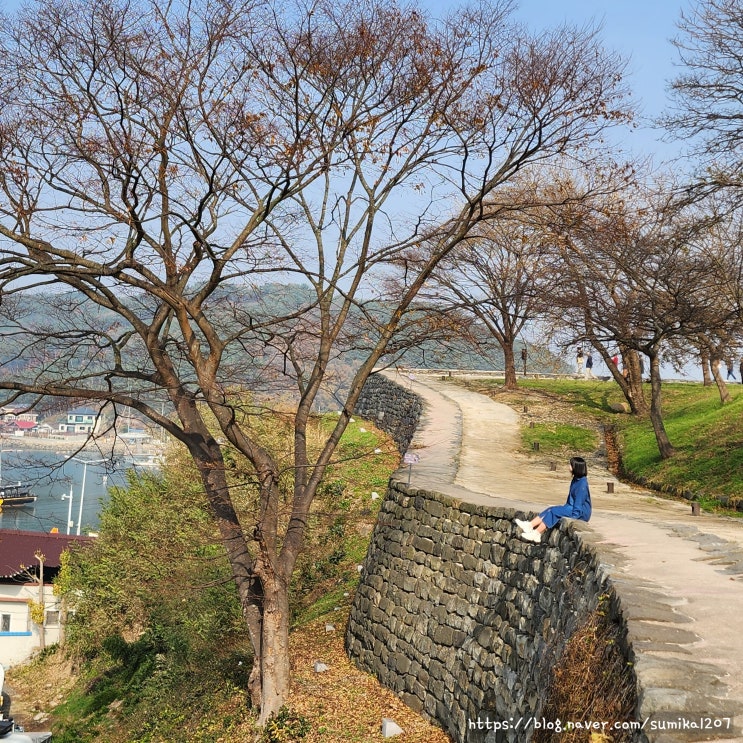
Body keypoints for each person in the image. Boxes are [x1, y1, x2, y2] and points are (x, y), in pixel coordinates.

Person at [514, 456, 592, 543]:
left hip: (580, 513)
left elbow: (579, 502)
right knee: (550, 509)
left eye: (570, 464)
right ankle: (530, 525)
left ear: (576, 467)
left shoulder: (582, 484)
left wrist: (573, 518)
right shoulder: (576, 479)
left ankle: (536, 533)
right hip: (571, 507)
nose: (568, 466)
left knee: (554, 511)